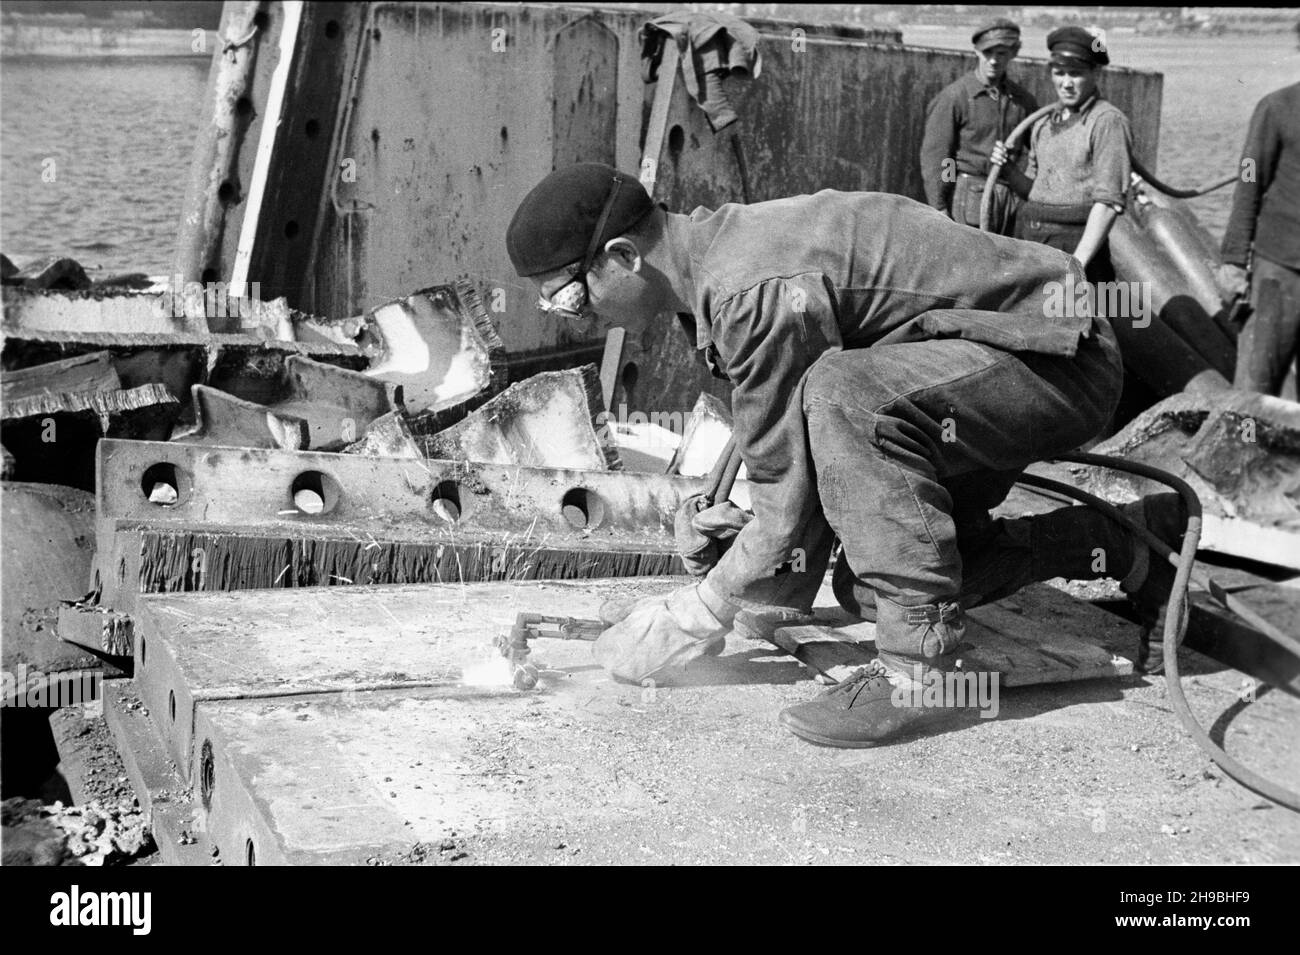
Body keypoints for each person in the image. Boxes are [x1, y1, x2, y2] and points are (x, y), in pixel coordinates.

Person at [505, 163, 1184, 748]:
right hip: (984, 363)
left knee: (845, 395)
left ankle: (920, 672)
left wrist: (700, 611)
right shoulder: (716, 262)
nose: (577, 318)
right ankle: (1122, 542)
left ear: (623, 256)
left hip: (1057, 356)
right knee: (870, 585)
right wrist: (723, 532)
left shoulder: (748, 288)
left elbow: (796, 475)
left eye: (570, 297)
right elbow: (777, 455)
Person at [990, 26, 1131, 284]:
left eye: (1075, 74)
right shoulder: (1043, 123)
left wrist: (1076, 266)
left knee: (1083, 321)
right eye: (1059, 73)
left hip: (1077, 246)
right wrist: (1009, 170)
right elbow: (1035, 191)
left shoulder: (1107, 121)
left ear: (1095, 73)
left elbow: (1109, 204)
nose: (1066, 83)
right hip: (1035, 244)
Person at [1216, 80, 1300, 396]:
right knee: (1256, 383)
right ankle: (1246, 443)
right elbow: (1250, 179)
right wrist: (1235, 259)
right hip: (1279, 271)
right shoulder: (1277, 107)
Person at [919, 17, 1038, 235]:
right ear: (976, 51)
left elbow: (1038, 151)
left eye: (1001, 53)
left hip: (1007, 201)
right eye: (988, 53)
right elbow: (941, 157)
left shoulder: (1022, 101)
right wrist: (940, 206)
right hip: (966, 197)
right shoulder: (955, 97)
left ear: (1013, 53)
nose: (993, 60)